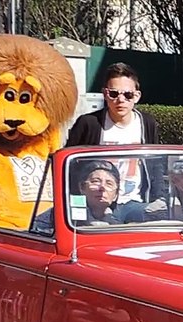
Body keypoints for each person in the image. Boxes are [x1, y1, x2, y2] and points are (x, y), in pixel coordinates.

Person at [64, 63, 161, 222]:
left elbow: (155, 163)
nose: (120, 100)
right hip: (96, 204)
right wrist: (78, 205)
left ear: (137, 96)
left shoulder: (146, 123)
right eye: (114, 94)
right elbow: (70, 167)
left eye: (128, 95)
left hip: (135, 202)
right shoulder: (89, 123)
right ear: (105, 94)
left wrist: (158, 198)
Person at [74, 159, 123, 225]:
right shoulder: (70, 220)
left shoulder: (123, 224)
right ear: (82, 188)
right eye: (95, 181)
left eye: (109, 184)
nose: (102, 187)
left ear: (116, 194)